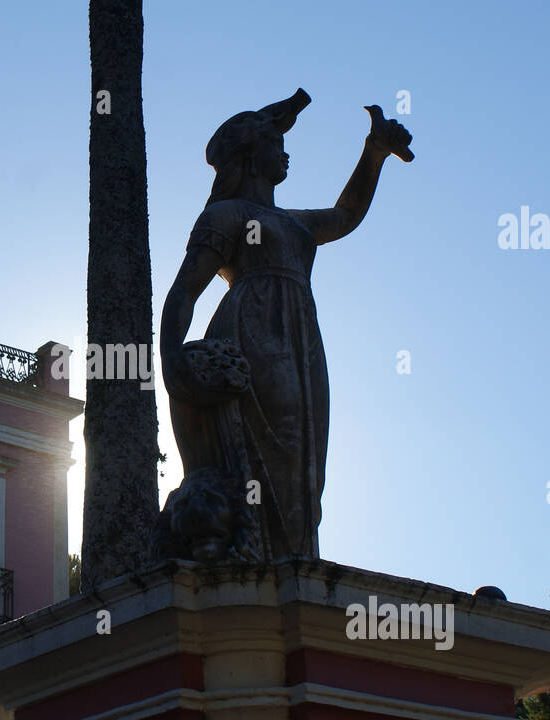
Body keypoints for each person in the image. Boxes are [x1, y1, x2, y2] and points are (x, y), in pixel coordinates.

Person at [159, 89, 412, 560]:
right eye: (277, 143)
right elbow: (184, 290)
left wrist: (373, 154)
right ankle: (261, 554)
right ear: (252, 156)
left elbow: (344, 216)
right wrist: (171, 356)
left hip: (301, 337)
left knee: (305, 459)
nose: (286, 151)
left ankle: (296, 560)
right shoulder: (226, 215)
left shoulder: (292, 221)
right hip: (253, 329)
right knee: (274, 442)